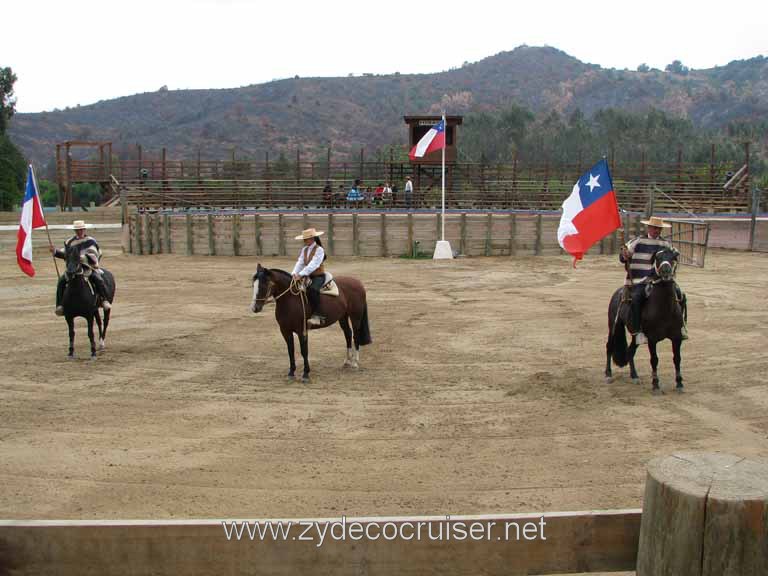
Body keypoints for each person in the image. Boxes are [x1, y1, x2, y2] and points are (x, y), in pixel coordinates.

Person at [620, 216, 687, 344]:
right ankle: (638, 331)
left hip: (661, 280)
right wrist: (624, 254)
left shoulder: (665, 244)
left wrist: (675, 254)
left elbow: (674, 254)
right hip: (640, 280)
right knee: (637, 298)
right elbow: (624, 256)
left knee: (679, 294)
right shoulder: (638, 241)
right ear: (649, 228)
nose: (657, 231)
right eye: (655, 228)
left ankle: (681, 326)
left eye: (659, 228)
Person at [50, 219, 111, 316]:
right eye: (78, 230)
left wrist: (83, 258)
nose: (80, 231)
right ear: (75, 231)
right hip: (73, 268)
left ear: (84, 229)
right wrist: (55, 252)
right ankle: (60, 305)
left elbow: (94, 253)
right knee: (61, 281)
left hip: (87, 266)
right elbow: (65, 254)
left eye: (81, 229)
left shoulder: (90, 241)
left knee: (98, 279)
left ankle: (104, 300)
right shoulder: (69, 242)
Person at [292, 227, 328, 326]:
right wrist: (294, 273)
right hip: (306, 275)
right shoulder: (304, 249)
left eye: (306, 239)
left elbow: (314, 264)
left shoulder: (319, 249)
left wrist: (301, 274)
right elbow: (300, 262)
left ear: (312, 239)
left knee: (312, 290)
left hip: (318, 276)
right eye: (304, 239)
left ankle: (318, 315)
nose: (304, 241)